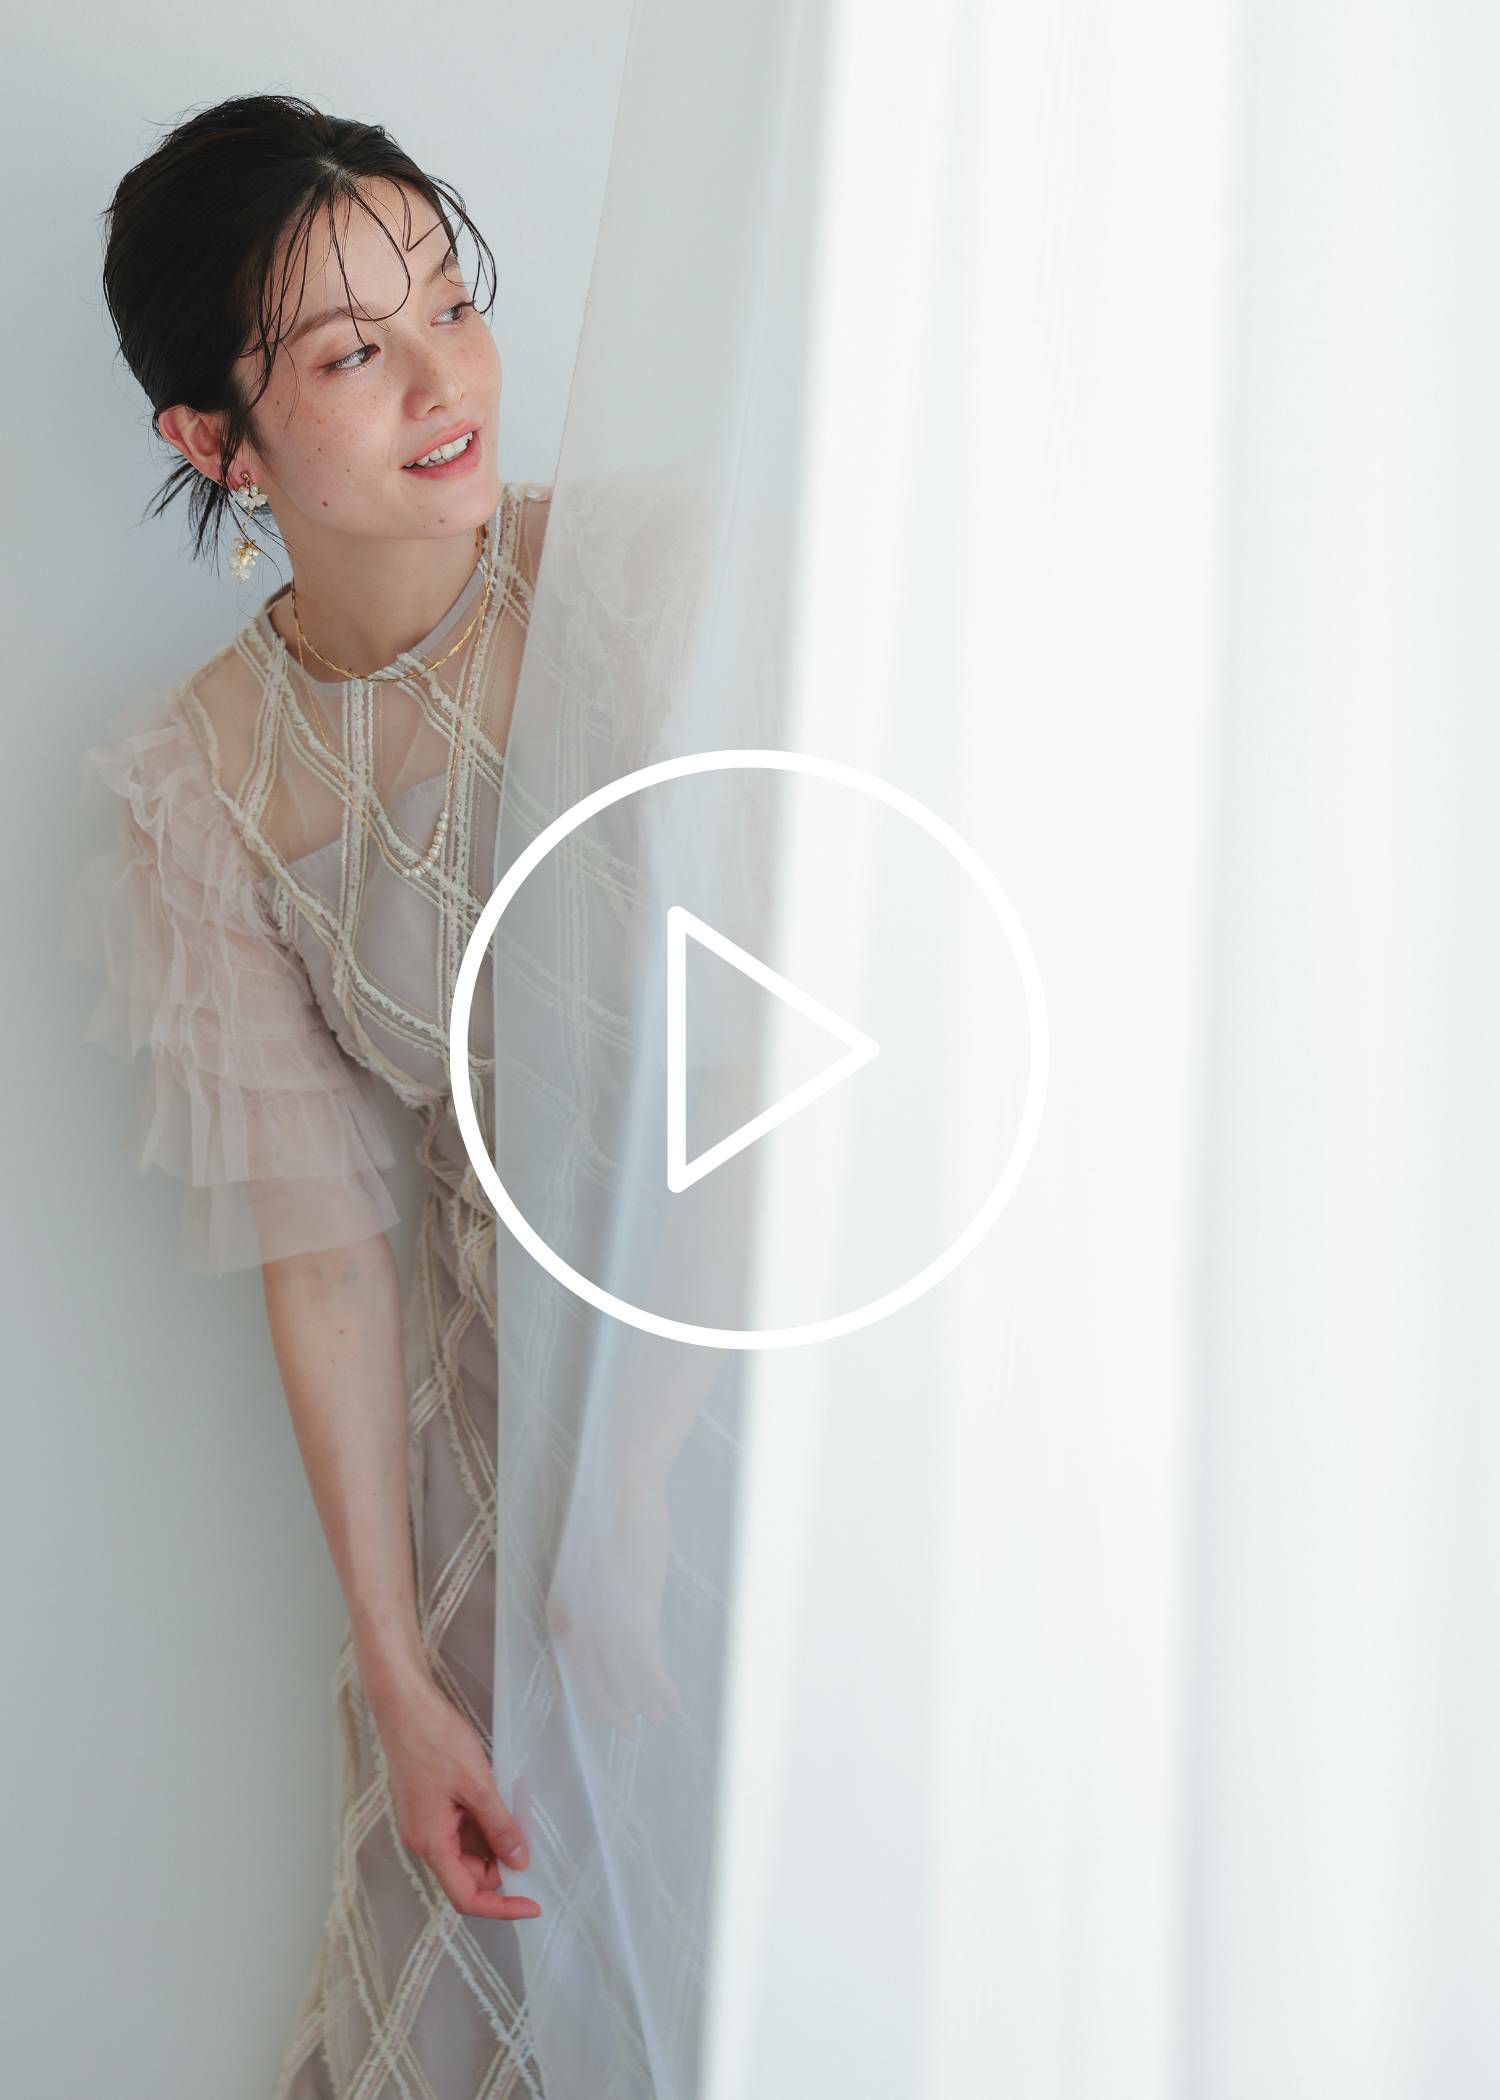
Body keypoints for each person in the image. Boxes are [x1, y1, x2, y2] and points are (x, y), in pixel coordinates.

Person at [64, 93, 555, 2097]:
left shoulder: (641, 587)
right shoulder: (201, 785)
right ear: (217, 442)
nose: (446, 381)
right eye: (356, 350)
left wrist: (635, 1505)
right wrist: (400, 1667)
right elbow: (331, 1258)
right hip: (494, 1468)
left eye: (452, 302)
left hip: (778, 1386)